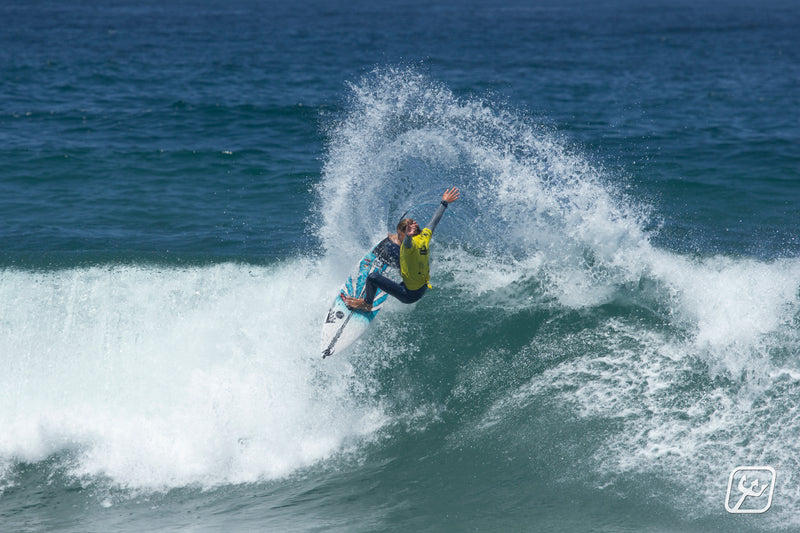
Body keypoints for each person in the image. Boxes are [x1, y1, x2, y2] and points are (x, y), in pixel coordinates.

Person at [343, 187, 460, 312]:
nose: (397, 237)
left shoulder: (408, 247)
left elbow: (408, 244)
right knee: (392, 248)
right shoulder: (424, 237)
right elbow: (434, 221)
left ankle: (367, 304)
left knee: (373, 277)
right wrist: (444, 202)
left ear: (407, 235)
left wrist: (407, 237)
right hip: (421, 286)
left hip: (408, 294)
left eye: (399, 235)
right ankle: (390, 271)